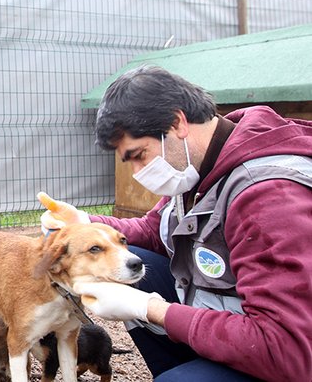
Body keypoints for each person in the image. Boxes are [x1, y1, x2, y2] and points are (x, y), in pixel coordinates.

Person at [41, 65, 312, 382]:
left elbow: (287, 351)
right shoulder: (202, 167)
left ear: (176, 123)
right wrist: (84, 223)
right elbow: (155, 231)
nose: (139, 171)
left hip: (288, 357)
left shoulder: (267, 195)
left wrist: (150, 309)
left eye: (140, 154)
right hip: (245, 328)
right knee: (130, 268)